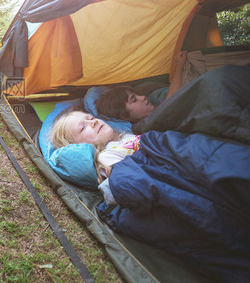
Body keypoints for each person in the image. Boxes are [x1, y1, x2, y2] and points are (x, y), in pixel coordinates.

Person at [49, 108, 250, 281]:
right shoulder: (105, 158)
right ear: (76, 146)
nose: (92, 121)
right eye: (82, 127)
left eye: (89, 116)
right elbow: (125, 187)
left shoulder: (129, 134)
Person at [96, 51, 187, 122]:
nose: (143, 97)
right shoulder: (148, 124)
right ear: (126, 116)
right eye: (134, 100)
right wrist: (179, 66)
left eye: (137, 95)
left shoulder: (155, 106)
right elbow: (172, 99)